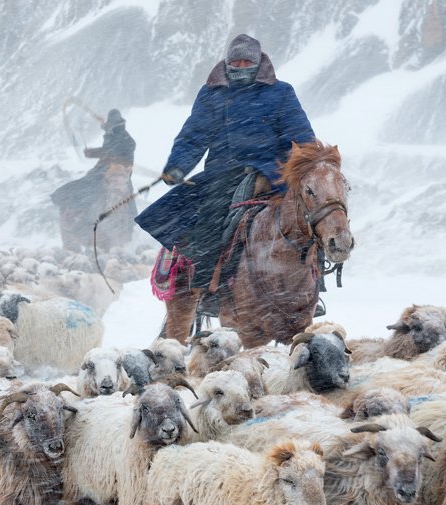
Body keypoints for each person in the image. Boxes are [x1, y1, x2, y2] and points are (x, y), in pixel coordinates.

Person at [135, 34, 316, 320]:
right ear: (227, 62)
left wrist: (300, 168)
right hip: (223, 173)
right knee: (208, 220)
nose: (241, 66)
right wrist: (178, 166)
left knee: (309, 218)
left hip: (273, 173)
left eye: (247, 61)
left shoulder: (281, 92)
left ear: (258, 64)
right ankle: (208, 287)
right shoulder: (212, 93)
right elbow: (194, 136)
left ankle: (311, 288)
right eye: (236, 61)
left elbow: (301, 139)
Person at [51, 109, 136, 252]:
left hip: (112, 174)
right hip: (101, 172)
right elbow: (108, 150)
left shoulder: (126, 140)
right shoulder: (112, 135)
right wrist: (93, 153)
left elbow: (118, 155)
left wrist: (104, 156)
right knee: (72, 193)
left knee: (84, 194)